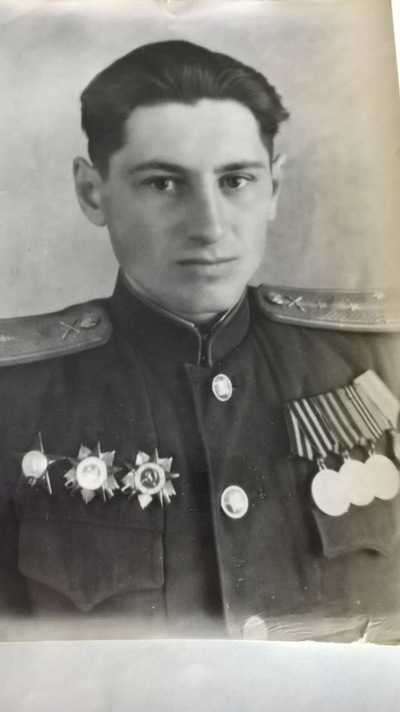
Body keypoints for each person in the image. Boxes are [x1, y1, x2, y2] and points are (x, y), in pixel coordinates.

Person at [1, 40, 400, 643]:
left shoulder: (376, 362)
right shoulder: (16, 396)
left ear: (274, 188)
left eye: (236, 180)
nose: (210, 227)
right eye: (163, 183)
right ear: (91, 191)